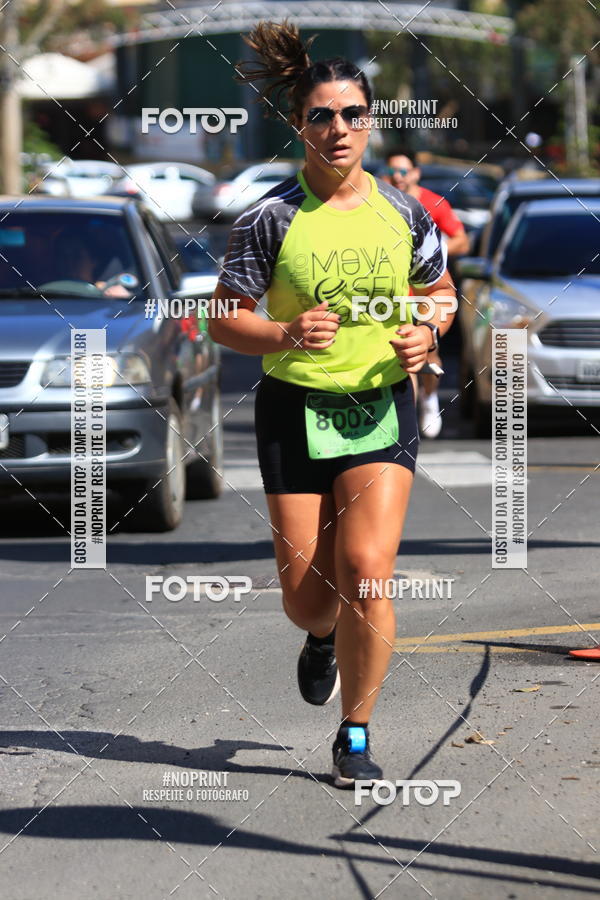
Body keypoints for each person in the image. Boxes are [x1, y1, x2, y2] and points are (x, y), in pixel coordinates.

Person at [208, 20, 456, 788]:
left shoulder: (406, 213)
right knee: (308, 599)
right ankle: (319, 638)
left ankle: (355, 732)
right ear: (299, 124)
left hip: (380, 407)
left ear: (370, 122)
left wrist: (425, 332)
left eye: (352, 114)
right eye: (322, 115)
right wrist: (281, 329)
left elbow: (441, 294)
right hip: (293, 409)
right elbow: (222, 317)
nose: (338, 128)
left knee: (367, 570)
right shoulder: (269, 218)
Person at [383, 150, 469, 438]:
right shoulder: (379, 202)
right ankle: (408, 416)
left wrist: (431, 254)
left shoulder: (434, 203)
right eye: (393, 171)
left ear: (416, 174)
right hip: (393, 296)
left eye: (404, 171)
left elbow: (462, 241)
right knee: (404, 355)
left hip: (429, 292)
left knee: (429, 352)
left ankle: (430, 399)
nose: (398, 176)